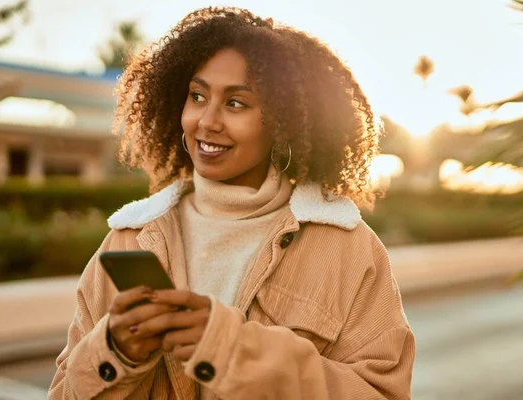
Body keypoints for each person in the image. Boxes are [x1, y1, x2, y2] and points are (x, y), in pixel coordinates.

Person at [49, 6, 415, 399]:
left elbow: (382, 393)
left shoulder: (346, 249)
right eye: (197, 96)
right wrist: (114, 352)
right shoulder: (129, 238)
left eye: (236, 103)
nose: (207, 121)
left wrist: (232, 350)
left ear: (284, 122)